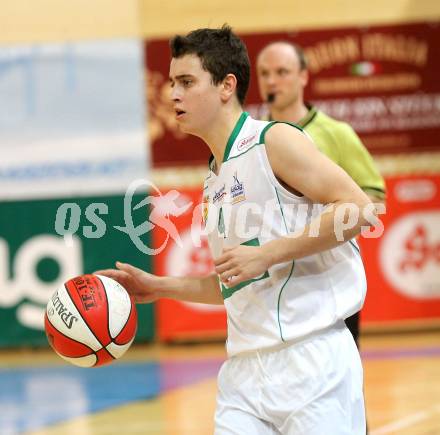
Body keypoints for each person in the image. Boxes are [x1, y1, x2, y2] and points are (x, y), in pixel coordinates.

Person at [97, 25, 376, 434]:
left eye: (186, 82)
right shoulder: (214, 180)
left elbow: (360, 210)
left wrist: (268, 252)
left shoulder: (275, 141)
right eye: (173, 82)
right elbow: (237, 280)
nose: (173, 93)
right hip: (244, 372)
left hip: (313, 362)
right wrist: (158, 287)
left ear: (227, 86)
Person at [256, 41, 386, 347]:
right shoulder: (251, 136)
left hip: (330, 279)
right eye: (264, 73)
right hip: (273, 278)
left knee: (342, 378)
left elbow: (374, 200)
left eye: (282, 72)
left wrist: (322, 218)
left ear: (303, 76)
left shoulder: (336, 133)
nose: (272, 81)